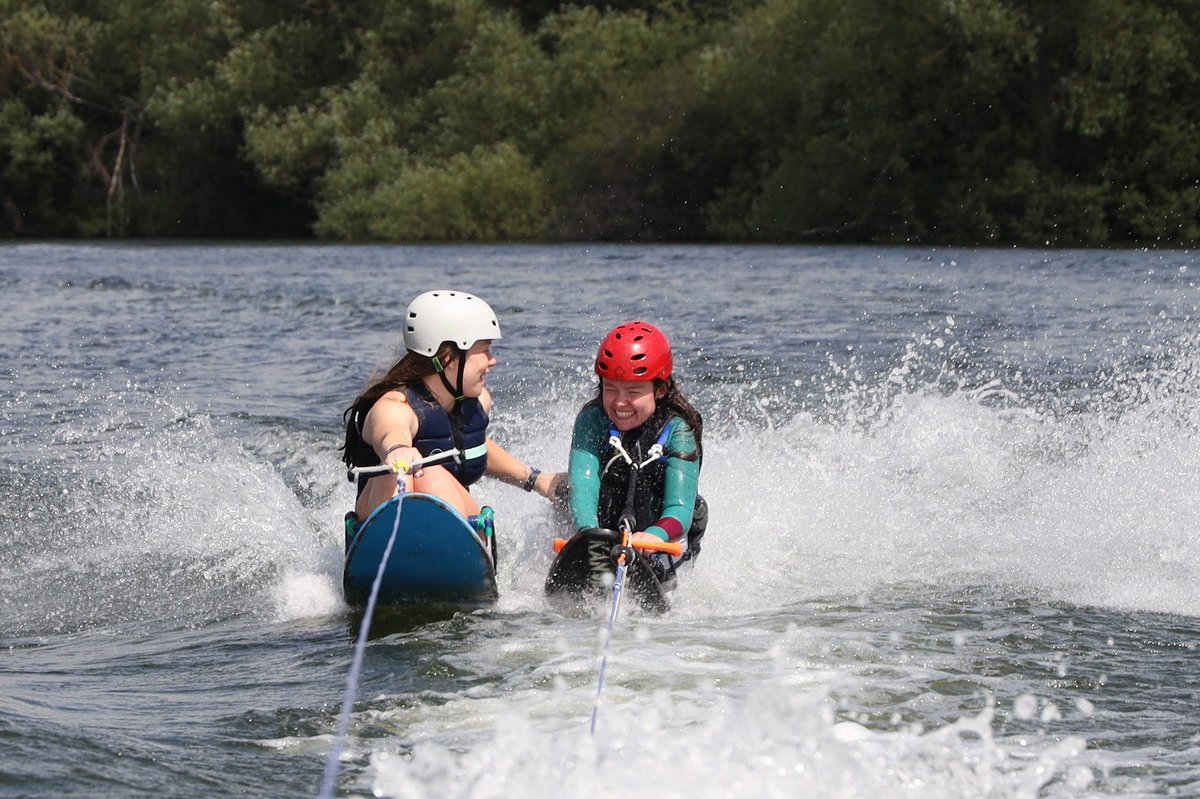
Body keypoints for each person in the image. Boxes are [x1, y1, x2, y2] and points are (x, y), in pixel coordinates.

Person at [341, 289, 563, 532]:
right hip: (383, 520)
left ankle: (458, 552)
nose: (492, 361)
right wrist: (398, 450)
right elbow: (390, 430)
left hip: (453, 528)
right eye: (485, 350)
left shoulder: (478, 402)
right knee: (418, 476)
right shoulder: (394, 405)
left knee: (434, 478)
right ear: (449, 359)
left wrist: (538, 481)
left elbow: (474, 445)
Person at [567, 320, 707, 580]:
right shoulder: (591, 419)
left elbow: (679, 508)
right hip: (603, 530)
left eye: (633, 391)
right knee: (568, 493)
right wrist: (589, 536)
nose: (620, 402)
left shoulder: (679, 430)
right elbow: (583, 486)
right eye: (610, 389)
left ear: (661, 389)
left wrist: (655, 535)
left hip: (665, 533)